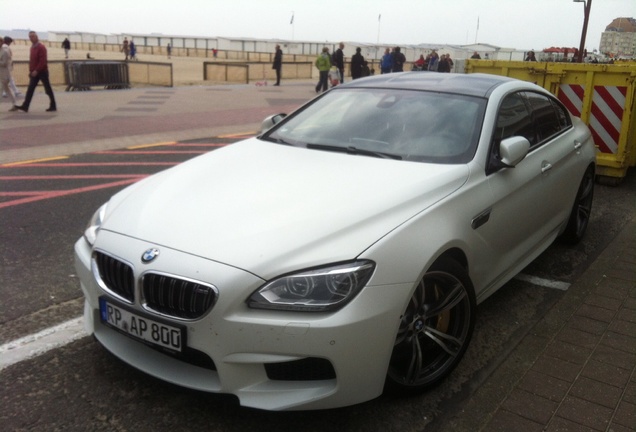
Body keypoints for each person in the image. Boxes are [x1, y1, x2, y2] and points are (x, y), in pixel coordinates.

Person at [15, 31, 56, 113]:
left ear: (36, 36)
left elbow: (43, 61)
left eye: (33, 36)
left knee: (47, 89)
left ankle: (53, 105)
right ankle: (25, 106)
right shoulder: (32, 47)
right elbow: (32, 60)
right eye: (30, 37)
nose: (31, 38)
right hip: (34, 72)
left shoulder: (41, 47)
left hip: (42, 72)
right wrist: (31, 71)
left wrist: (36, 70)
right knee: (30, 89)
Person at [1, 36, 18, 111]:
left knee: (1, 89)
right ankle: (15, 104)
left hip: (5, 74)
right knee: (7, 90)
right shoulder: (5, 49)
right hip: (2, 73)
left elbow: (4, 63)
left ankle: (15, 104)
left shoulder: (5, 51)